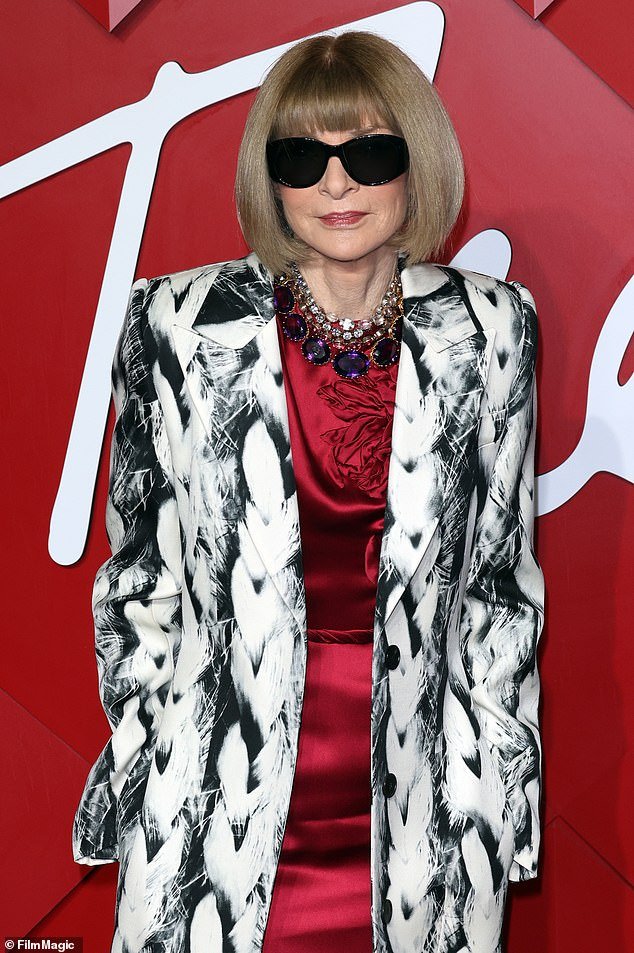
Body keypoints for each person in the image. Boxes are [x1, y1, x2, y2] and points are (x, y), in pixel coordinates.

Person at [72, 30, 545, 953]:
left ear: (415, 163)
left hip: (420, 827)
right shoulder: (176, 327)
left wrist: (495, 797)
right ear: (272, 178)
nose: (336, 185)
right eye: (303, 157)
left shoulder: (493, 329)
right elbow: (137, 582)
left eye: (368, 153)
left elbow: (500, 593)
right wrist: (149, 759)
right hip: (212, 814)